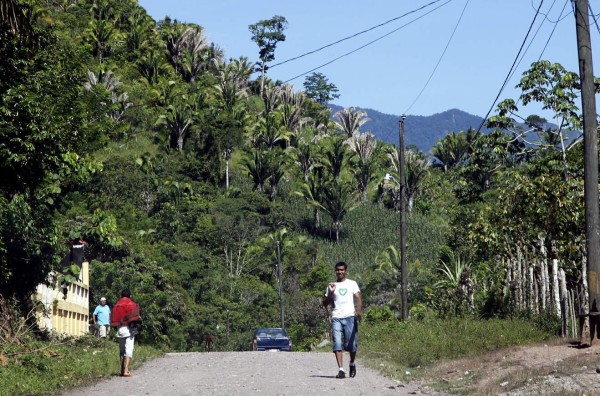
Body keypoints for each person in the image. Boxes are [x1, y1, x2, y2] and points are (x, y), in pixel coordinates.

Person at [322, 261, 362, 379]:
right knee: (337, 343)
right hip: (337, 317)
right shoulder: (332, 285)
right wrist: (331, 293)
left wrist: (358, 310)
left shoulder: (352, 283)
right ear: (335, 271)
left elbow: (359, 298)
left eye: (342, 270)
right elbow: (325, 303)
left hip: (350, 316)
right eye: (338, 270)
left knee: (352, 344)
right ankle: (341, 369)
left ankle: (352, 363)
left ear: (345, 271)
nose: (340, 272)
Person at [111, 289, 141, 377]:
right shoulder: (132, 304)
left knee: (121, 350)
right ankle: (126, 370)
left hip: (119, 329)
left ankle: (121, 370)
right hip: (128, 329)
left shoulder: (116, 305)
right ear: (130, 295)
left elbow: (113, 317)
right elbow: (135, 316)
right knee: (129, 350)